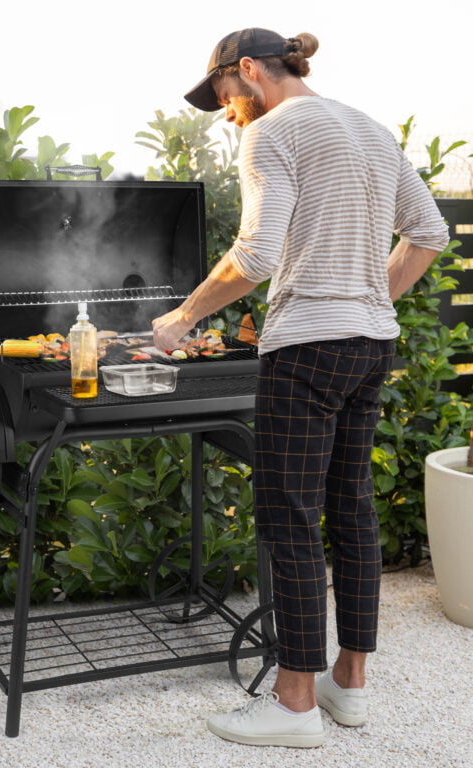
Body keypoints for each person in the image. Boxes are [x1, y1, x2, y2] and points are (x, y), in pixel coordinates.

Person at [152, 27, 450, 748]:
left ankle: (292, 706)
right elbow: (430, 230)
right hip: (370, 346)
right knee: (351, 512)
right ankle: (348, 687)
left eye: (224, 96)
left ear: (249, 71)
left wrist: (182, 317)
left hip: (307, 350)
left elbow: (254, 254)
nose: (227, 115)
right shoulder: (372, 129)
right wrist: (364, 298)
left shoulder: (272, 132)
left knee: (289, 518)